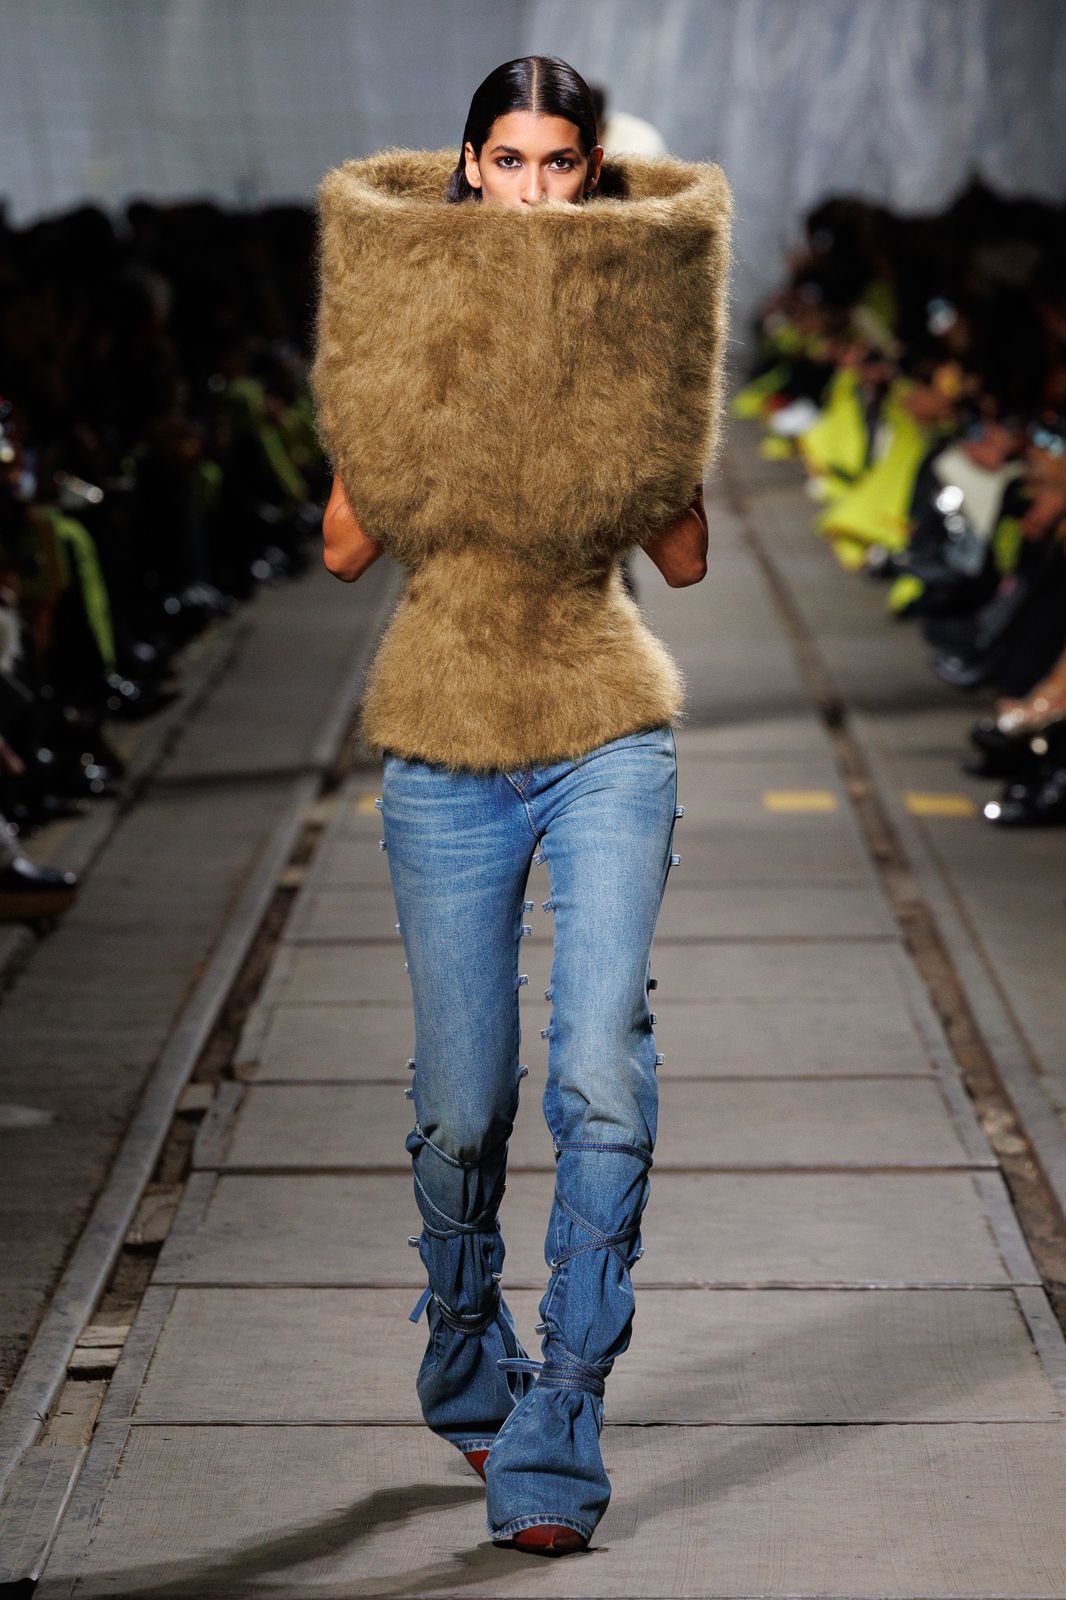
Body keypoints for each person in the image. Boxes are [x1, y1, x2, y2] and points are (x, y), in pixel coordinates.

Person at [313, 54, 729, 1556]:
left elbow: (682, 556)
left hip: (605, 722)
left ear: (593, 173)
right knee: (460, 1101)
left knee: (602, 1063)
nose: (536, 192)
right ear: (469, 168)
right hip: (443, 742)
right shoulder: (410, 299)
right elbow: (345, 545)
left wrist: (621, 379)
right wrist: (434, 375)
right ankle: (463, 1335)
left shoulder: (631, 303)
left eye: (562, 165)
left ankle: (563, 1408)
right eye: (510, 163)